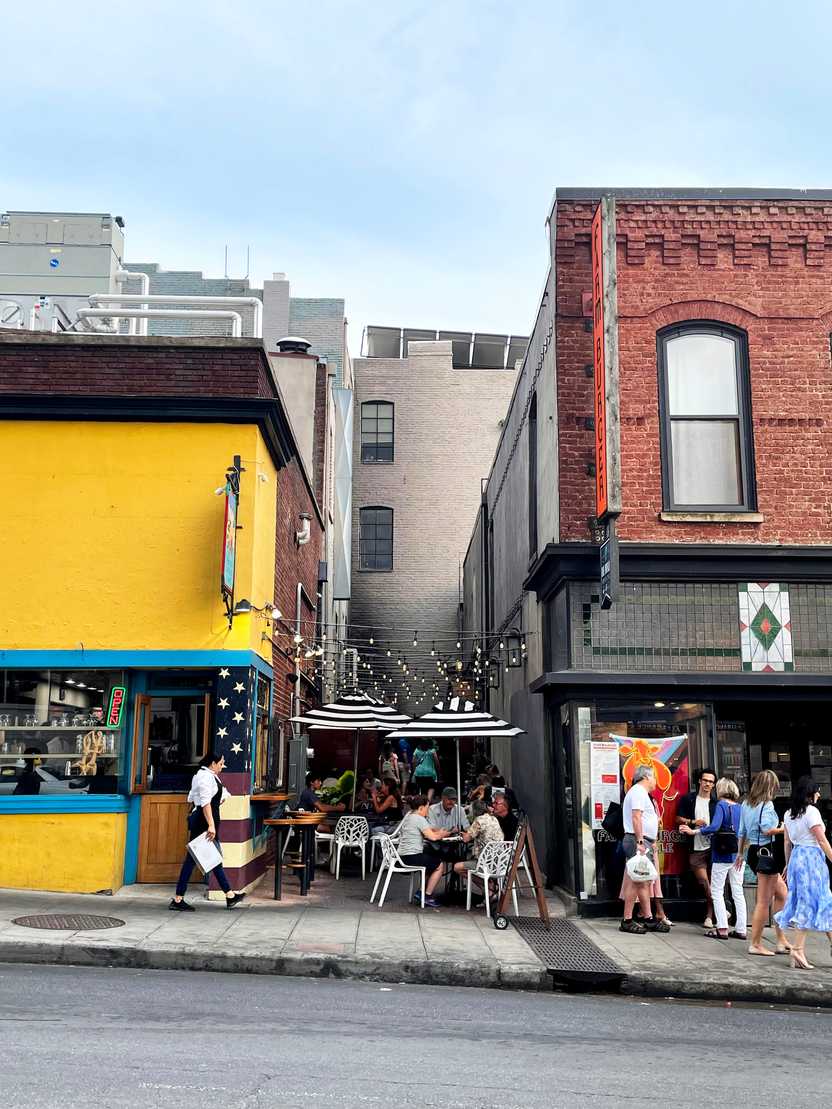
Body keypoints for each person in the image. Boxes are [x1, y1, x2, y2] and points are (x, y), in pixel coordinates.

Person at [170, 752, 245, 911]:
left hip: (207, 820)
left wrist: (220, 801)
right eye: (220, 763)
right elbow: (204, 802)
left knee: (212, 857)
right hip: (203, 822)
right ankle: (178, 899)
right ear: (212, 763)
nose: (222, 766)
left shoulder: (210, 776)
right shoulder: (204, 776)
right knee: (194, 859)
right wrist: (211, 824)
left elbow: (215, 796)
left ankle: (229, 895)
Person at [774, 776, 832, 969]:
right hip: (812, 859)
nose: (819, 794)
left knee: (820, 900)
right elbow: (822, 841)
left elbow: (787, 842)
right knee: (814, 901)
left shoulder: (789, 813)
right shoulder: (812, 812)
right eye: (816, 791)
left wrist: (788, 864)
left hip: (798, 857)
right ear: (809, 793)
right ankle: (797, 949)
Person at [680, 777, 746, 941]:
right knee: (738, 891)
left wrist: (694, 831)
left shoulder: (721, 805)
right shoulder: (740, 808)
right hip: (737, 855)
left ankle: (722, 927)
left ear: (721, 790)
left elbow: (715, 826)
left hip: (722, 854)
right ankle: (741, 929)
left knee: (716, 890)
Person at [734, 769, 790, 957]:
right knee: (764, 900)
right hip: (766, 852)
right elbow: (767, 829)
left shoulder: (746, 804)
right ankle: (756, 943)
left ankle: (781, 939)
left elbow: (741, 831)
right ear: (770, 786)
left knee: (782, 893)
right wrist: (782, 829)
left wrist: (740, 853)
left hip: (753, 852)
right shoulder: (767, 805)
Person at [620, 765, 669, 934]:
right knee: (636, 880)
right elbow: (636, 816)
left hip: (643, 841)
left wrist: (649, 840)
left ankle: (648, 918)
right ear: (646, 777)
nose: (656, 781)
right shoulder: (638, 792)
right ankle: (627, 920)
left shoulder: (640, 793)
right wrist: (640, 841)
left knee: (644, 881)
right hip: (637, 840)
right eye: (654, 777)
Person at [676, 767, 717, 928]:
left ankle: (710, 914)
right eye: (705, 780)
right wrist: (693, 822)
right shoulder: (689, 799)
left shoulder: (716, 803)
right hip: (696, 847)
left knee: (714, 882)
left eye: (711, 782)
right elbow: (677, 818)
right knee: (704, 881)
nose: (707, 784)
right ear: (699, 781)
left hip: (714, 847)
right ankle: (719, 910)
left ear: (714, 785)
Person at [397, 794, 454, 907]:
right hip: (411, 856)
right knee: (439, 865)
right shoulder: (419, 818)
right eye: (427, 807)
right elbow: (432, 837)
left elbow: (430, 833)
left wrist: (441, 833)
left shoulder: (409, 815)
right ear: (421, 808)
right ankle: (427, 896)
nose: (428, 810)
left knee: (430, 861)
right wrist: (443, 834)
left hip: (402, 855)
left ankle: (421, 892)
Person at [453, 799, 503, 892]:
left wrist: (464, 834)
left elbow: (466, 839)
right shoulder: (494, 818)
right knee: (470, 864)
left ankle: (489, 885)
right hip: (499, 862)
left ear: (475, 810)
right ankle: (489, 894)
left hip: (485, 863)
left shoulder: (479, 820)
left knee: (457, 867)